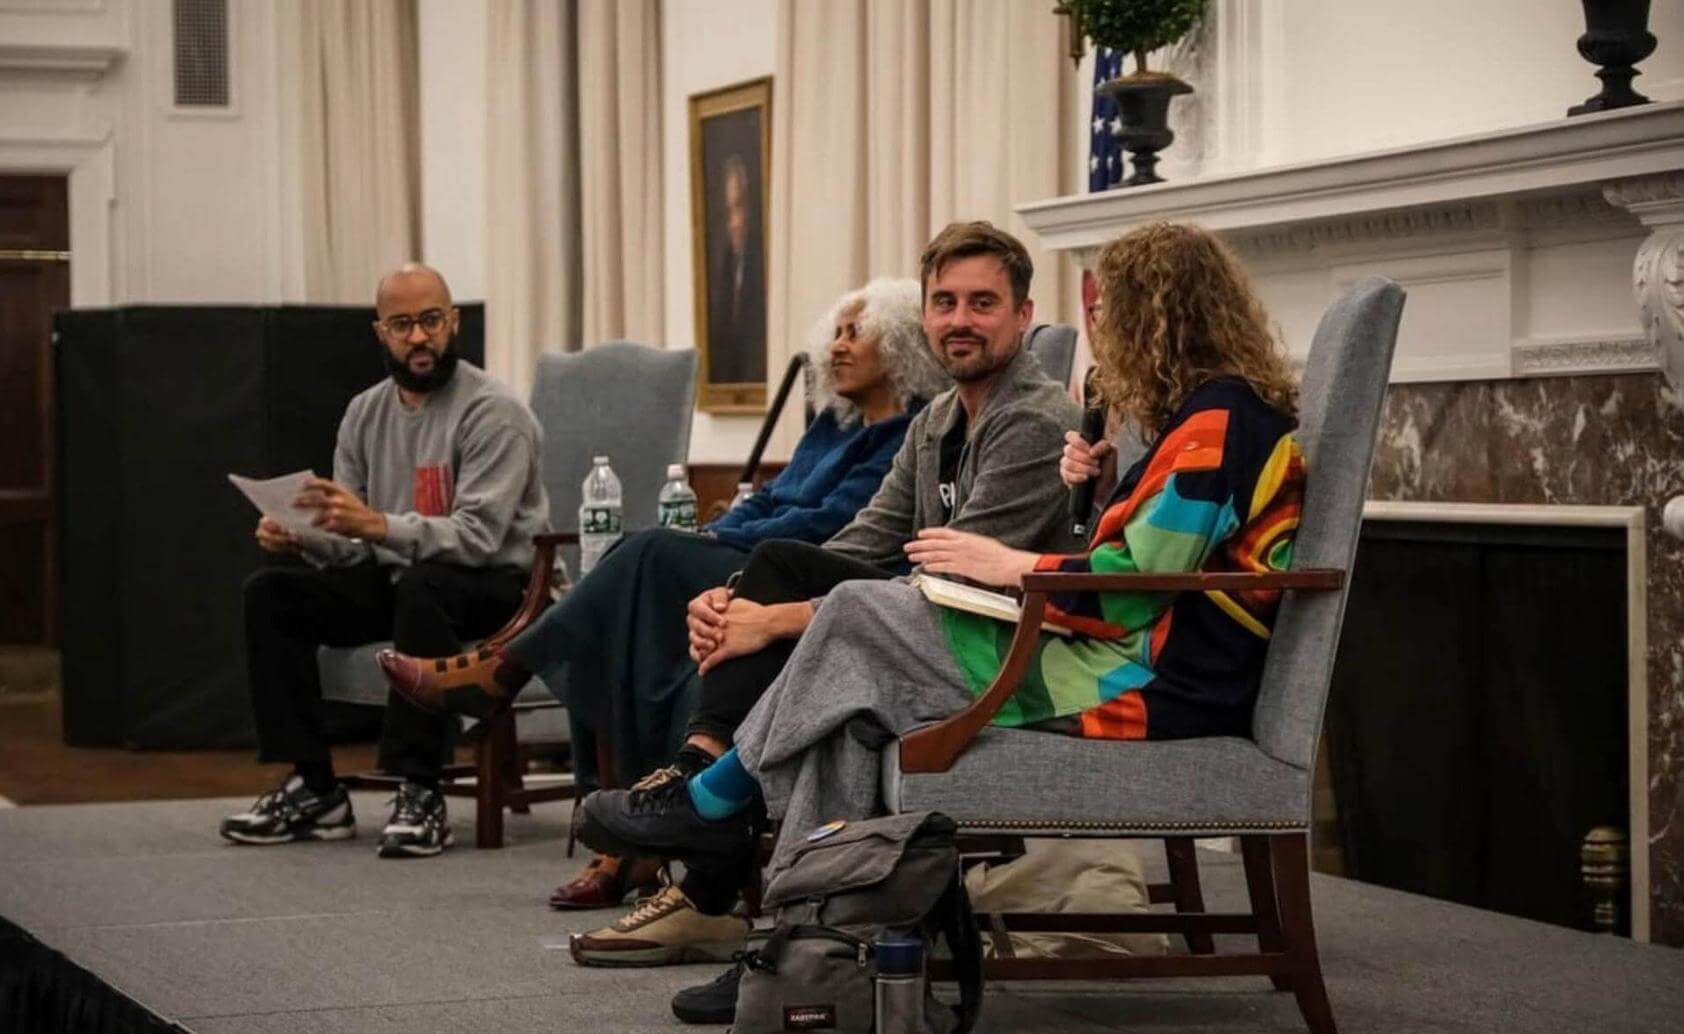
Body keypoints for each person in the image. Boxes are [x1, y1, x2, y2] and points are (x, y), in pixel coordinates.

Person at [576, 221, 1308, 1024]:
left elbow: (1133, 591)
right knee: (848, 707)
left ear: (1156, 317)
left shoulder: (1215, 424)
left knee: (854, 619)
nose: (1100, 332)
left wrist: (1011, 565)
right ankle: (803, 949)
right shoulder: (1202, 420)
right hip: (1120, 657)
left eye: (1108, 312)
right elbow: (1140, 562)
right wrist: (1100, 494)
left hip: (1144, 681)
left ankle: (716, 800)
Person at [561, 220, 1082, 975]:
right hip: (931, 636)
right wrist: (736, 602)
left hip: (994, 655)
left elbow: (959, 583)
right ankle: (733, 851)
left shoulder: (1033, 420)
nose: (960, 320)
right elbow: (860, 542)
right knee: (779, 564)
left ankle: (721, 863)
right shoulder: (937, 419)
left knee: (829, 664)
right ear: (926, 314)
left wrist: (775, 620)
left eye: (983, 303)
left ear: (1023, 315)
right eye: (944, 302)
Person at [376, 276, 946, 907]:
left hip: (804, 573)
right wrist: (717, 532)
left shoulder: (906, 433)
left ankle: (506, 671)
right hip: (750, 554)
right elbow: (774, 501)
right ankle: (627, 837)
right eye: (835, 333)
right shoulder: (832, 426)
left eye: (856, 333)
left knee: (645, 552)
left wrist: (716, 536)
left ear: (900, 344)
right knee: (641, 631)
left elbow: (825, 525)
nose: (837, 347)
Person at [220, 263, 550, 859]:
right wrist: (303, 536)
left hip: (503, 586)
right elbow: (352, 544)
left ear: (453, 323)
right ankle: (315, 787)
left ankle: (419, 788)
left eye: (431, 320)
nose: (418, 337)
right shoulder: (364, 413)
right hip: (408, 579)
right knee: (271, 595)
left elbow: (479, 538)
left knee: (425, 585)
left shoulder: (494, 411)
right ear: (381, 333)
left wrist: (374, 525)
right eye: (402, 325)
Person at [708, 154, 767, 384]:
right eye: (728, 211)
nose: (734, 223)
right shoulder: (722, 273)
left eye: (739, 207)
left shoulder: (763, 268)